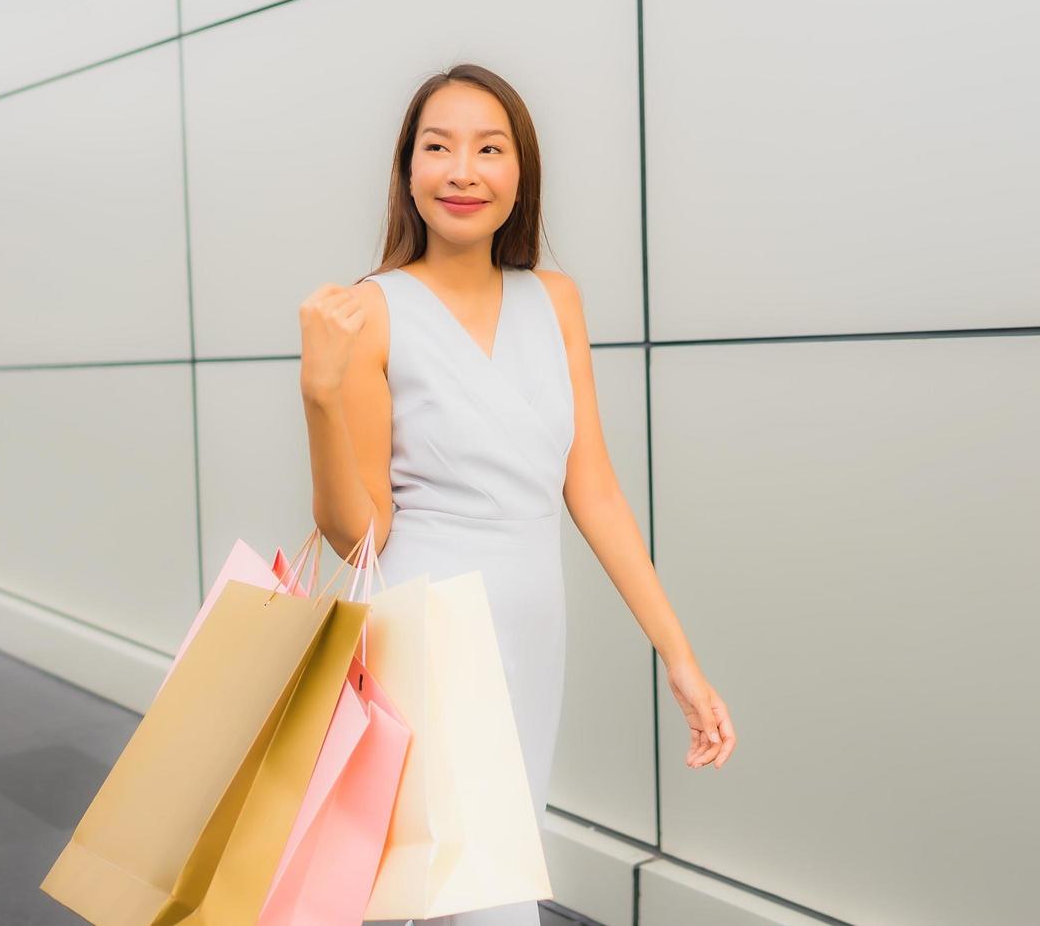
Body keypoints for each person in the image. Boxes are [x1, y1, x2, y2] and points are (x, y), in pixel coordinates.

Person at [299, 64, 737, 925]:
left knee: (476, 875)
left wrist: (677, 655)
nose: (463, 169)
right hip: (428, 626)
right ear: (408, 170)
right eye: (438, 147)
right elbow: (360, 533)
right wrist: (320, 397)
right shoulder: (372, 309)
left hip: (534, 634)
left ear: (520, 172)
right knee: (480, 895)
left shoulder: (557, 301)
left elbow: (596, 491)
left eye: (488, 148)